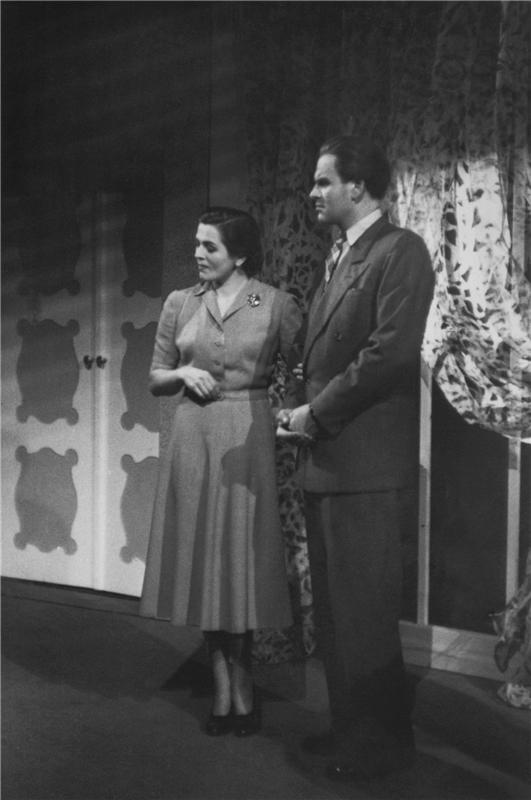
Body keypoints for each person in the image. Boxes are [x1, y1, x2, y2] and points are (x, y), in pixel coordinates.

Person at [278, 136, 435, 780]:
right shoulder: (341, 255)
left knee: (364, 616)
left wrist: (315, 413)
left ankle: (380, 752)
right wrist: (301, 409)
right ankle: (352, 733)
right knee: (338, 616)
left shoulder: (400, 250)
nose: (312, 193)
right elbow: (325, 357)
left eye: (323, 182)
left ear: (358, 187)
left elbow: (388, 354)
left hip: (364, 469)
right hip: (331, 462)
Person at [141, 207, 302, 737]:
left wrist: (291, 413)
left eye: (209, 246)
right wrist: (184, 372)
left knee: (241, 559)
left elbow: (302, 368)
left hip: (248, 439)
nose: (197, 254)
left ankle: (244, 680)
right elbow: (156, 377)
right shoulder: (181, 302)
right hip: (193, 435)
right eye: (196, 243)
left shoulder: (273, 303)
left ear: (241, 254)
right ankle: (221, 686)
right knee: (206, 559)